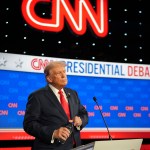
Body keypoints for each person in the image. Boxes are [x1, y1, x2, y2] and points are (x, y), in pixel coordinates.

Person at [23, 61, 88, 150]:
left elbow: (84, 114)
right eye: (59, 73)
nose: (63, 75)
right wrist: (53, 133)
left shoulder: (73, 93)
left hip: (75, 146)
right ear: (49, 78)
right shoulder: (37, 96)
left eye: (64, 72)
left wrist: (81, 121)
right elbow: (29, 124)